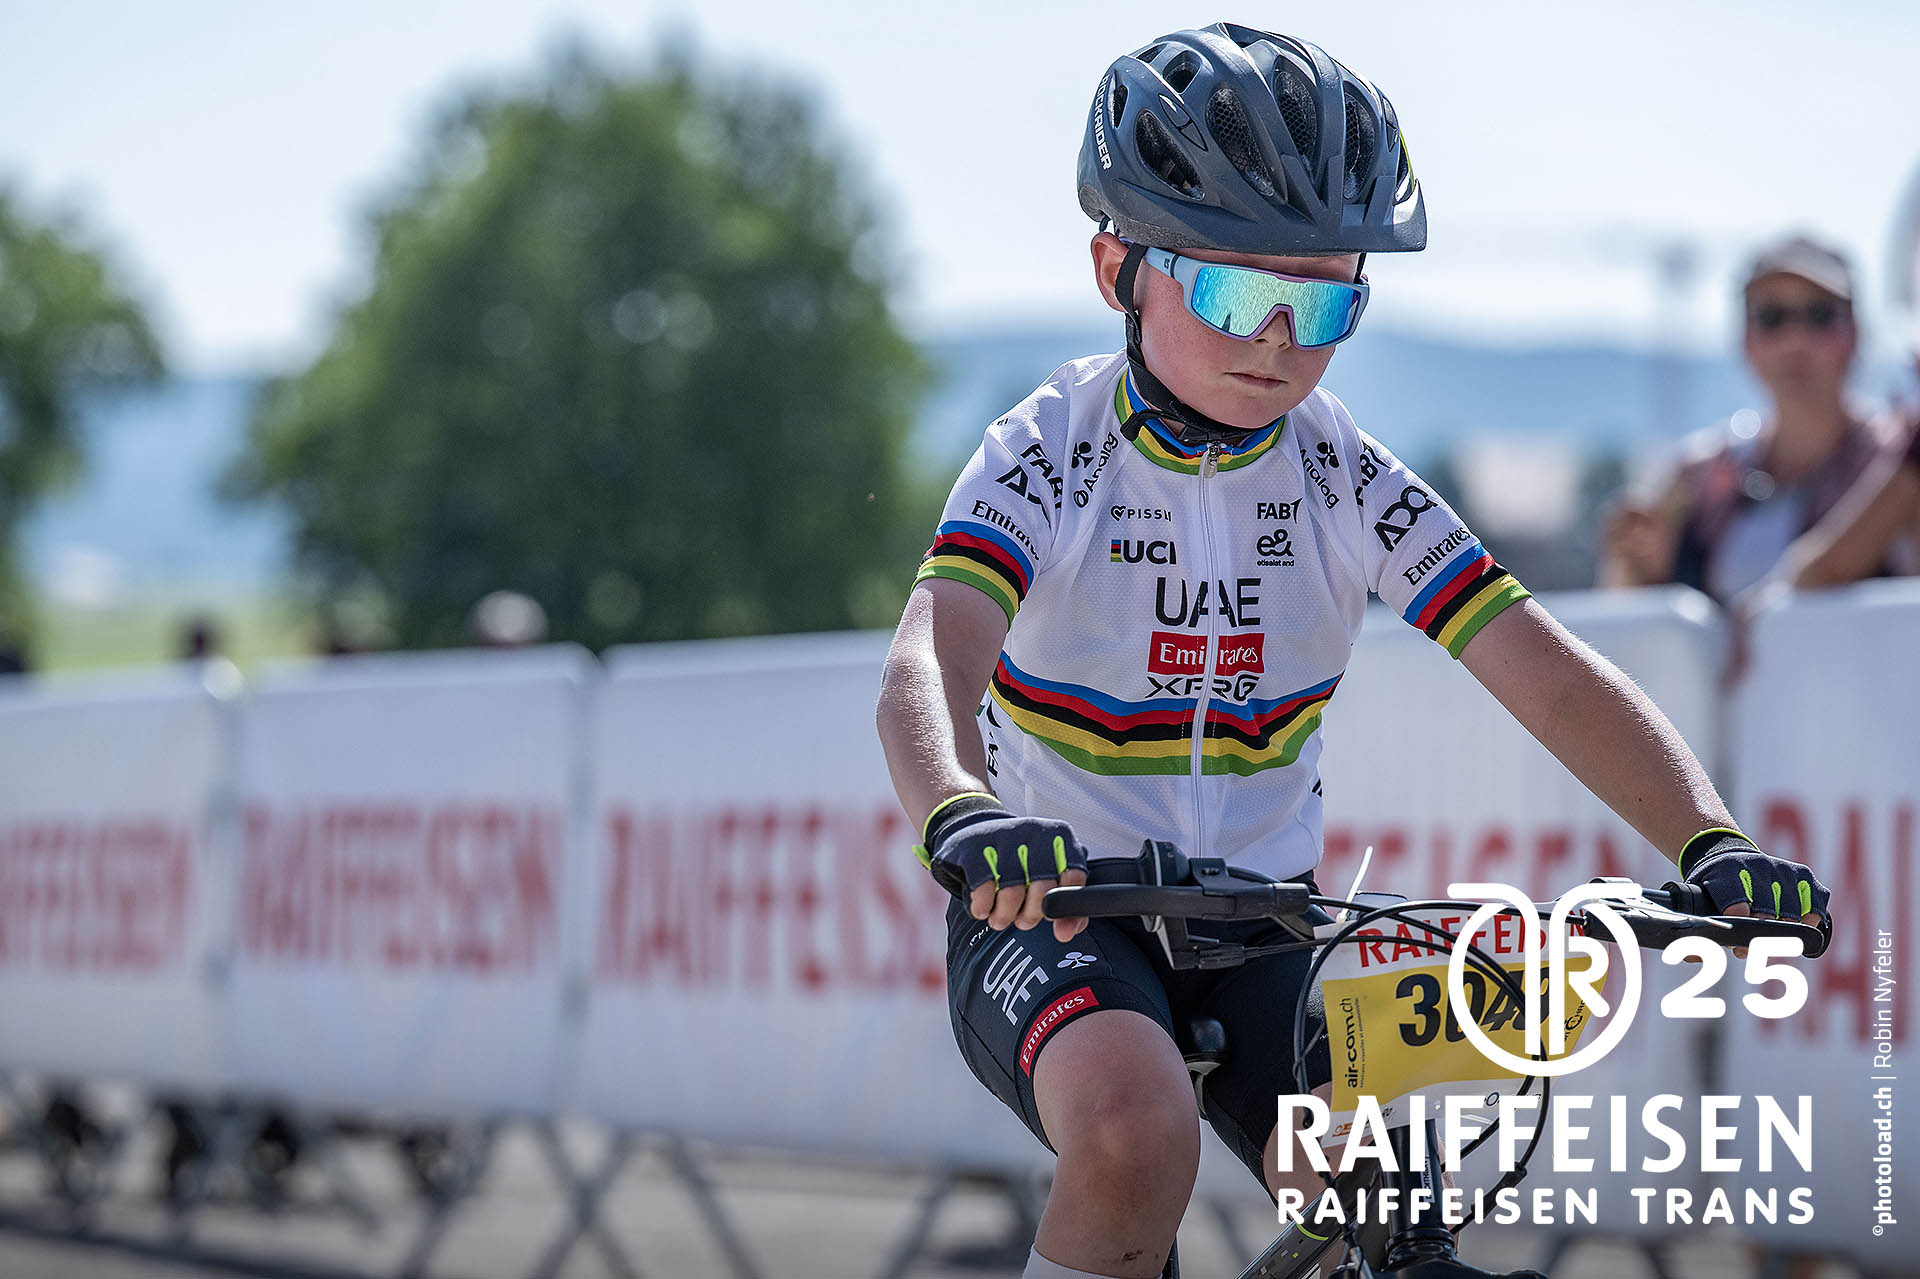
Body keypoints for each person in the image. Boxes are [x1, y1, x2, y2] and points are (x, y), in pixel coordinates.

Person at [874, 24, 1833, 1279]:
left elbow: (1545, 676)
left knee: (1388, 1197)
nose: (1278, 337)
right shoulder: (1050, 447)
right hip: (1058, 913)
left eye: (1323, 301)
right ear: (1119, 268)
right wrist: (959, 809)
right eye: (1235, 294)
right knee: (1134, 1134)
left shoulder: (1341, 470)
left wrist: (1710, 840)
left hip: (1262, 925)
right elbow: (927, 660)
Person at [1599, 233, 1917, 602]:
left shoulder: (1900, 457)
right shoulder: (1696, 475)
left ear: (1856, 334)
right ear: (1745, 341)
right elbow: (1633, 615)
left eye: (1819, 315)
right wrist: (1637, 570)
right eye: (1771, 318)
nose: (1794, 340)